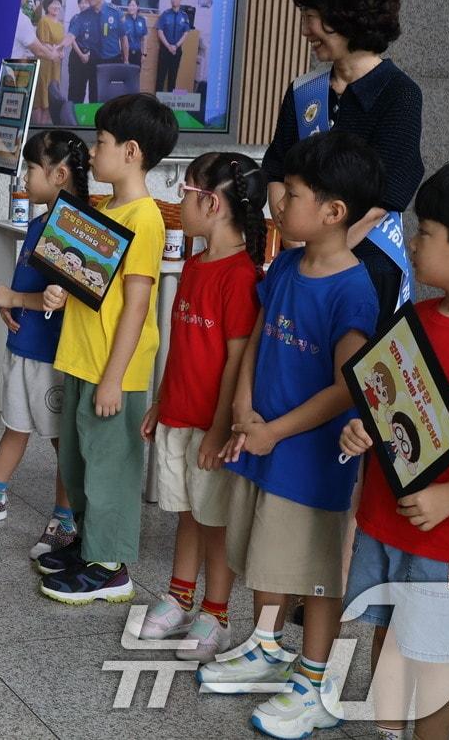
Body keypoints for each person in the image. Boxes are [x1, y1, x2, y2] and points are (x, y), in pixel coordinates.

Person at [200, 132, 383, 738]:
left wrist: (274, 430)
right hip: (262, 442)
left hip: (308, 457)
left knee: (316, 569)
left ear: (333, 212)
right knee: (266, 556)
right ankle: (266, 644)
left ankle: (313, 679)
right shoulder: (283, 263)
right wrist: (245, 409)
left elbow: (345, 387)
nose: (278, 202)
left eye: (294, 195)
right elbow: (258, 338)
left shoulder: (353, 289)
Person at [339, 158, 449, 740]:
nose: (412, 241)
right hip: (386, 520)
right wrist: (361, 429)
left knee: (436, 660)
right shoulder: (418, 318)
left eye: (425, 232)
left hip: (447, 536)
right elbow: (386, 402)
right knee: (387, 634)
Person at [36, 93, 178, 603]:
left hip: (113, 369)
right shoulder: (102, 207)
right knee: (77, 461)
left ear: (132, 151)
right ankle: (88, 543)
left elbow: (137, 305)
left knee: (110, 467)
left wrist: (115, 378)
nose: (92, 154)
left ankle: (109, 565)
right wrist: (57, 289)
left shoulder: (145, 217)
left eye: (101, 143)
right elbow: (86, 279)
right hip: (81, 356)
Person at [135, 152, 266, 662]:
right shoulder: (193, 264)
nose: (177, 201)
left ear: (212, 204)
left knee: (215, 520)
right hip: (178, 414)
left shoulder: (240, 276)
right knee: (187, 512)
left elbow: (236, 362)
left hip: (209, 424)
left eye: (185, 193)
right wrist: (162, 402)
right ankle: (180, 596)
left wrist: (218, 429)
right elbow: (180, 344)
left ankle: (217, 612)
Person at [0, 130, 90, 562]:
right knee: (16, 424)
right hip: (25, 343)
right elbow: (38, 288)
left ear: (59, 174)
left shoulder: (75, 229)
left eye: (32, 167)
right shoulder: (39, 222)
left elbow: (61, 299)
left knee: (59, 439)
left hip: (52, 355)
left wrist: (12, 299)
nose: (25, 174)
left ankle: (65, 518)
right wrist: (15, 305)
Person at [262, 0, 424, 326]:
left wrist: (323, 254)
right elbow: (276, 166)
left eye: (312, 17)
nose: (305, 30)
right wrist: (291, 233)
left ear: (346, 16)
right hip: (301, 258)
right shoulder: (305, 91)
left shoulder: (399, 94)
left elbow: (387, 195)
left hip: (363, 265)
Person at [66, 0, 127, 104]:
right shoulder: (84, 15)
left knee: (112, 98)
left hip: (113, 61)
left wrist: (126, 61)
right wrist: (61, 45)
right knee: (94, 95)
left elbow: (123, 38)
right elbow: (71, 36)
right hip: (94, 61)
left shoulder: (116, 13)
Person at [32, 0, 73, 126]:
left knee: (52, 92)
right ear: (46, 6)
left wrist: (61, 52)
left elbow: (62, 43)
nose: (56, 6)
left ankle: (46, 125)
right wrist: (55, 51)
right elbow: (43, 42)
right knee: (42, 91)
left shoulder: (60, 24)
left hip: (56, 62)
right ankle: (37, 126)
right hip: (45, 60)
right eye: (52, 3)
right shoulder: (44, 21)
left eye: (58, 3)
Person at [155, 0, 191, 93]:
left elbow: (186, 33)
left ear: (180, 0)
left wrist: (176, 46)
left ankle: (170, 104)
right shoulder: (165, 14)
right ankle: (156, 103)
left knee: (173, 77)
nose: (173, 0)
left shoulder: (184, 16)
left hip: (177, 50)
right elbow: (160, 31)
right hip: (165, 50)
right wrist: (169, 46)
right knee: (160, 77)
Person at [123, 0, 149, 68]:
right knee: (124, 76)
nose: (131, 7)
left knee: (136, 75)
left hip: (138, 53)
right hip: (126, 53)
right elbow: (121, 39)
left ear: (138, 7)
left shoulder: (142, 20)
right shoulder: (124, 19)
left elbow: (144, 38)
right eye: (129, 5)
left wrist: (144, 54)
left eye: (133, 5)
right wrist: (125, 58)